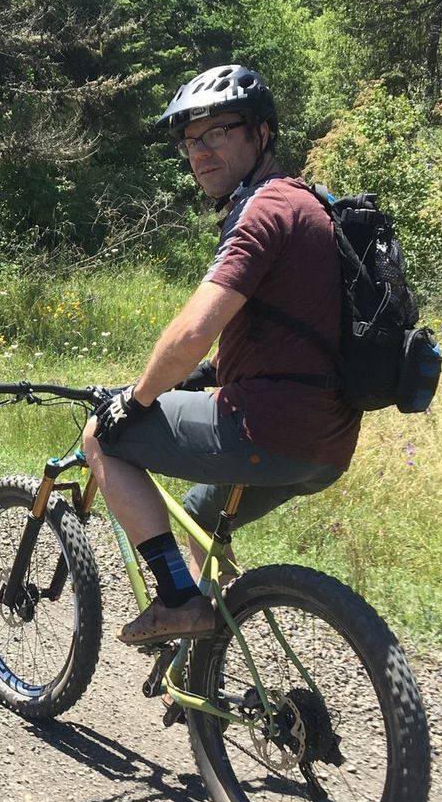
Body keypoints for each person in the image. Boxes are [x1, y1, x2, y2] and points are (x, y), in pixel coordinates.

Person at [81, 63, 359, 646]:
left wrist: (136, 398)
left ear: (261, 133)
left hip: (265, 429)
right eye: (190, 140)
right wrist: (207, 375)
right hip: (329, 445)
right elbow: (292, 338)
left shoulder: (263, 211)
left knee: (100, 435)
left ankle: (179, 602)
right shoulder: (314, 207)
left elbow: (191, 333)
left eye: (217, 132)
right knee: (202, 514)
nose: (200, 152)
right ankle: (207, 662)